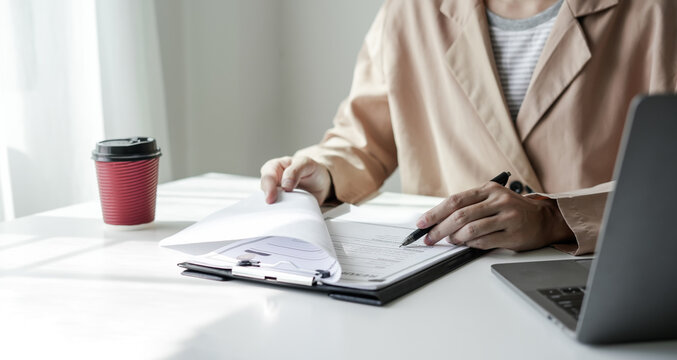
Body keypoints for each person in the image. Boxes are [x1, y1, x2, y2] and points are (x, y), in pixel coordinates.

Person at [259, 0, 677, 255]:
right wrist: (326, 175)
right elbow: (362, 140)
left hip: (596, 270)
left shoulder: (658, 14)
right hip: (445, 276)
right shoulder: (410, 10)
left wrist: (555, 218)